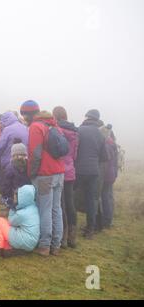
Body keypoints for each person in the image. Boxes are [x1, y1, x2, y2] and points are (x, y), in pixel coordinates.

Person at [23, 101, 65, 256]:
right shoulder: (54, 126)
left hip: (45, 174)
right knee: (56, 208)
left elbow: (35, 154)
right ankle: (56, 245)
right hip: (59, 173)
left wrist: (31, 173)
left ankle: (44, 246)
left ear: (28, 114)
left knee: (45, 209)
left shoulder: (36, 127)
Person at [75, 109, 107, 239]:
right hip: (94, 171)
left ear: (87, 117)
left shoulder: (79, 130)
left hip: (79, 170)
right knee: (92, 200)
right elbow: (104, 156)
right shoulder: (100, 134)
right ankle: (90, 230)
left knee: (71, 197)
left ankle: (69, 227)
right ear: (97, 119)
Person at [0, 185, 40, 258]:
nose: (15, 197)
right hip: (31, 242)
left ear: (23, 197)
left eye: (17, 195)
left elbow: (11, 221)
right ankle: (7, 247)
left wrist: (12, 208)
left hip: (24, 240)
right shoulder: (33, 207)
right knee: (5, 226)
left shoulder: (22, 213)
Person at [53, 106, 79, 248]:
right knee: (70, 203)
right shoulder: (75, 132)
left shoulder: (57, 130)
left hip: (58, 170)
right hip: (70, 172)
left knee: (59, 204)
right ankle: (72, 237)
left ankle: (62, 236)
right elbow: (74, 155)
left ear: (55, 116)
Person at [0, 141, 30, 208]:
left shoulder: (9, 167)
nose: (20, 157)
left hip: (14, 197)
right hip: (29, 197)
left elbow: (5, 185)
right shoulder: (30, 166)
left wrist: (5, 196)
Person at [100, 124, 118, 229]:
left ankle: (106, 221)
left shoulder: (106, 144)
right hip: (111, 173)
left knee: (105, 197)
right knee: (109, 196)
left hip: (106, 174)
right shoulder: (112, 144)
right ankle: (109, 219)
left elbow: (105, 160)